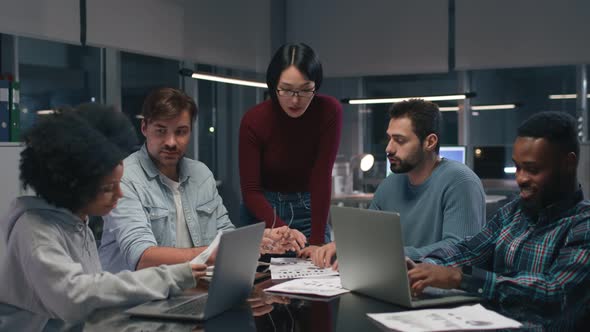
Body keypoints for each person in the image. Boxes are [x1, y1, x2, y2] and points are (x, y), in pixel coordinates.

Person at [0, 107, 205, 329]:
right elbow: (75, 299)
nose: (119, 194)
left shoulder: (76, 221)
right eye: (108, 188)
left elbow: (94, 295)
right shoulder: (34, 230)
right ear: (74, 185)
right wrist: (171, 277)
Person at [408, 111, 590, 327]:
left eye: (532, 169)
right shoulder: (514, 211)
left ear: (568, 163)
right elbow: (469, 251)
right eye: (518, 167)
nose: (520, 178)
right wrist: (419, 268)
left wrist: (461, 278)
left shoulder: (583, 225)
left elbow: (554, 293)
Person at [99, 88, 294, 273]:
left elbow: (224, 234)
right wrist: (212, 254)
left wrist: (259, 241)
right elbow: (142, 257)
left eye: (181, 131)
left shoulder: (201, 175)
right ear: (144, 127)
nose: (171, 142)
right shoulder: (125, 178)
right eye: (161, 131)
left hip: (190, 293)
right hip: (136, 303)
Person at [306, 99, 486, 266]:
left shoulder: (461, 181)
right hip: (394, 282)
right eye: (389, 139)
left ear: (429, 142)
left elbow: (460, 249)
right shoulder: (390, 184)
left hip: (443, 292)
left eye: (399, 140)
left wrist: (391, 255)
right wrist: (343, 245)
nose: (389, 148)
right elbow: (367, 236)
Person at [239, 42, 343, 247]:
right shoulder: (254, 120)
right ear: (273, 84)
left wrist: (316, 242)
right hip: (263, 212)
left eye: (305, 90)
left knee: (318, 271)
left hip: (309, 209)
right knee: (259, 276)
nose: (295, 101)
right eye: (286, 90)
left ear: (316, 86)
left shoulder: (329, 111)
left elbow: (321, 178)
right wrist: (282, 230)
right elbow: (251, 191)